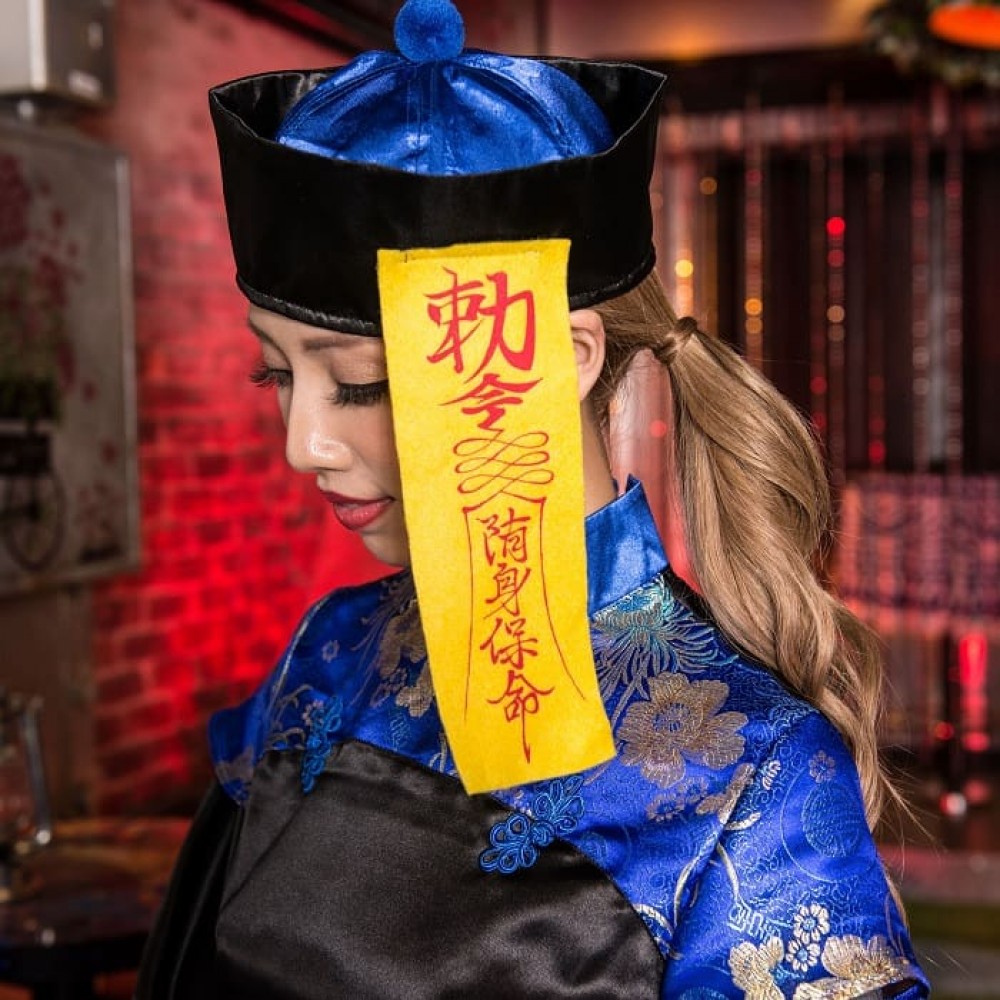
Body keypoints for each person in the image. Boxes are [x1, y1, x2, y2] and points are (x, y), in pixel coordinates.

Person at [137, 0, 929, 996]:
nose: (304, 444)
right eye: (275, 374)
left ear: (563, 357)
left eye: (361, 382)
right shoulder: (331, 649)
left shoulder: (755, 769)